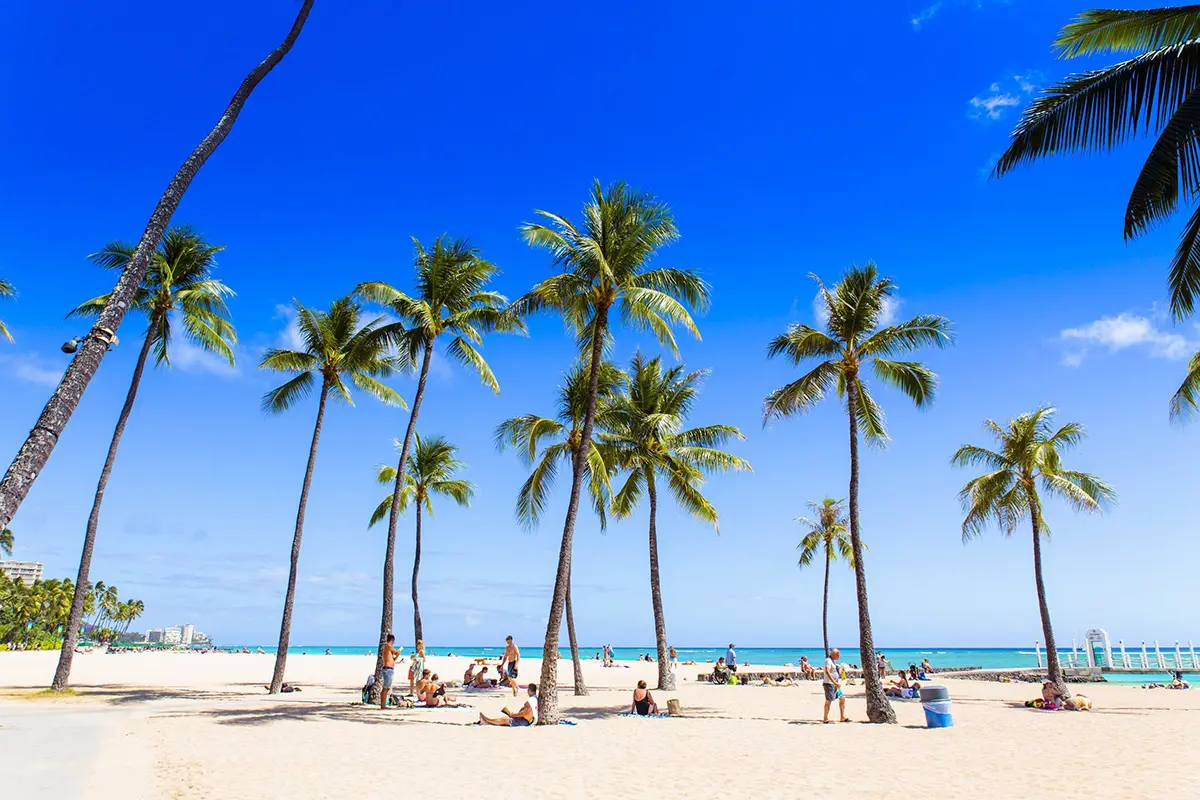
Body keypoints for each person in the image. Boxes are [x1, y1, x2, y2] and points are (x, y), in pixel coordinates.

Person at [823, 647, 848, 723]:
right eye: (837, 654)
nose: (839, 656)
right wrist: (834, 682)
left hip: (835, 685)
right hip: (829, 684)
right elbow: (827, 671)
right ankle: (825, 718)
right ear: (833, 654)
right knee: (828, 701)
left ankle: (842, 717)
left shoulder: (832, 661)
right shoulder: (828, 661)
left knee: (842, 698)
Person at [379, 634, 401, 710]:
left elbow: (394, 659)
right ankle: (383, 705)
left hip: (389, 669)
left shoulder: (388, 650)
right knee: (385, 688)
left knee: (387, 688)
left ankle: (383, 705)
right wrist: (399, 651)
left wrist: (398, 655)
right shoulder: (388, 646)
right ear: (392, 640)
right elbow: (395, 652)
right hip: (388, 669)